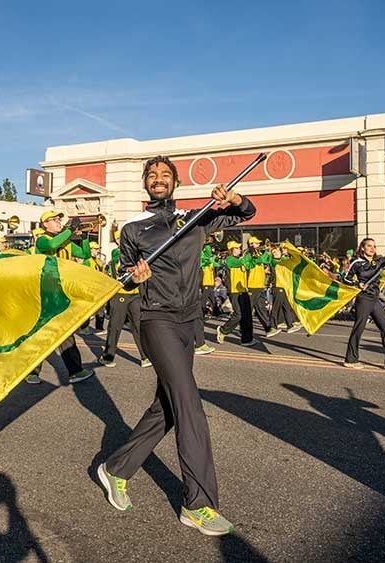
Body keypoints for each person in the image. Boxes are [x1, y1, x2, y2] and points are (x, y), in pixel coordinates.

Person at [96, 155, 255, 536]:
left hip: (189, 320)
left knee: (167, 406)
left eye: (165, 174)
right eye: (151, 175)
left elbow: (247, 213)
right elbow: (125, 278)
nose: (158, 179)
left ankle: (115, 467)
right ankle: (198, 504)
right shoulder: (134, 229)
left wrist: (233, 200)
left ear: (175, 182)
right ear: (145, 184)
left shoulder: (195, 217)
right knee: (189, 405)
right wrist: (136, 276)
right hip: (157, 319)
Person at [26, 210, 95, 384]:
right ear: (45, 224)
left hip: (62, 292)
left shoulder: (66, 241)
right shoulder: (42, 239)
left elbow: (85, 254)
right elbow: (51, 245)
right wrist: (70, 230)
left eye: (59, 219)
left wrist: (85, 236)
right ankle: (32, 371)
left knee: (65, 332)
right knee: (40, 334)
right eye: (54, 220)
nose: (58, 222)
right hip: (45, 292)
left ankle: (74, 371)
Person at [343, 238, 385, 370]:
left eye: (374, 246)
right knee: (359, 328)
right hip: (363, 299)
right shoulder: (357, 262)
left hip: (374, 299)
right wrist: (358, 284)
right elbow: (346, 278)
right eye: (369, 246)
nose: (372, 249)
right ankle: (350, 359)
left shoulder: (378, 261)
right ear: (362, 248)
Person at [99, 232, 149, 368]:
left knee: (138, 325)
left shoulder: (137, 252)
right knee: (115, 326)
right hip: (121, 292)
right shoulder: (117, 252)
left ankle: (145, 356)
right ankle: (108, 356)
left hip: (135, 293)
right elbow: (122, 265)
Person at [216, 241, 257, 346]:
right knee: (238, 314)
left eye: (240, 248)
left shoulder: (240, 259)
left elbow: (250, 265)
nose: (239, 250)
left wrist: (254, 256)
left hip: (243, 290)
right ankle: (223, 330)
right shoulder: (230, 259)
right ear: (231, 250)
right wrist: (249, 252)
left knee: (247, 315)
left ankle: (247, 339)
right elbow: (242, 262)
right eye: (237, 248)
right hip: (234, 291)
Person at [244, 236, 280, 337]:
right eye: (257, 243)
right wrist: (262, 256)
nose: (259, 245)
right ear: (251, 244)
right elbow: (249, 264)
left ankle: (268, 329)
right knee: (247, 311)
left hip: (259, 284)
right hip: (251, 285)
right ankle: (243, 332)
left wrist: (268, 251)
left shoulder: (259, 252)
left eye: (259, 243)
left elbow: (267, 260)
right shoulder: (248, 253)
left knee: (261, 308)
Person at [267, 245, 301, 332]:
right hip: (277, 287)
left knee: (287, 306)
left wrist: (289, 251)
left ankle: (290, 325)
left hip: (283, 286)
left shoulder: (284, 259)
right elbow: (280, 262)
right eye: (273, 252)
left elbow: (294, 259)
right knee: (275, 308)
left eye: (277, 251)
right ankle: (272, 327)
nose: (275, 253)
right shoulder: (273, 261)